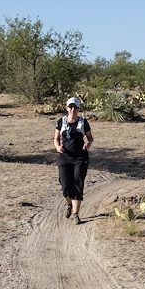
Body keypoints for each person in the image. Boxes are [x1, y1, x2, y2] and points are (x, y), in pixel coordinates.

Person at [54, 96, 93, 224]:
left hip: (80, 158)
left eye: (75, 107)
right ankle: (69, 204)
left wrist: (88, 144)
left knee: (78, 183)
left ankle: (76, 214)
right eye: (70, 107)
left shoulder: (83, 122)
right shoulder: (61, 121)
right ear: (66, 108)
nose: (72, 109)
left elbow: (90, 138)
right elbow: (56, 138)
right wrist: (57, 147)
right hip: (64, 157)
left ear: (78, 109)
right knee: (65, 185)